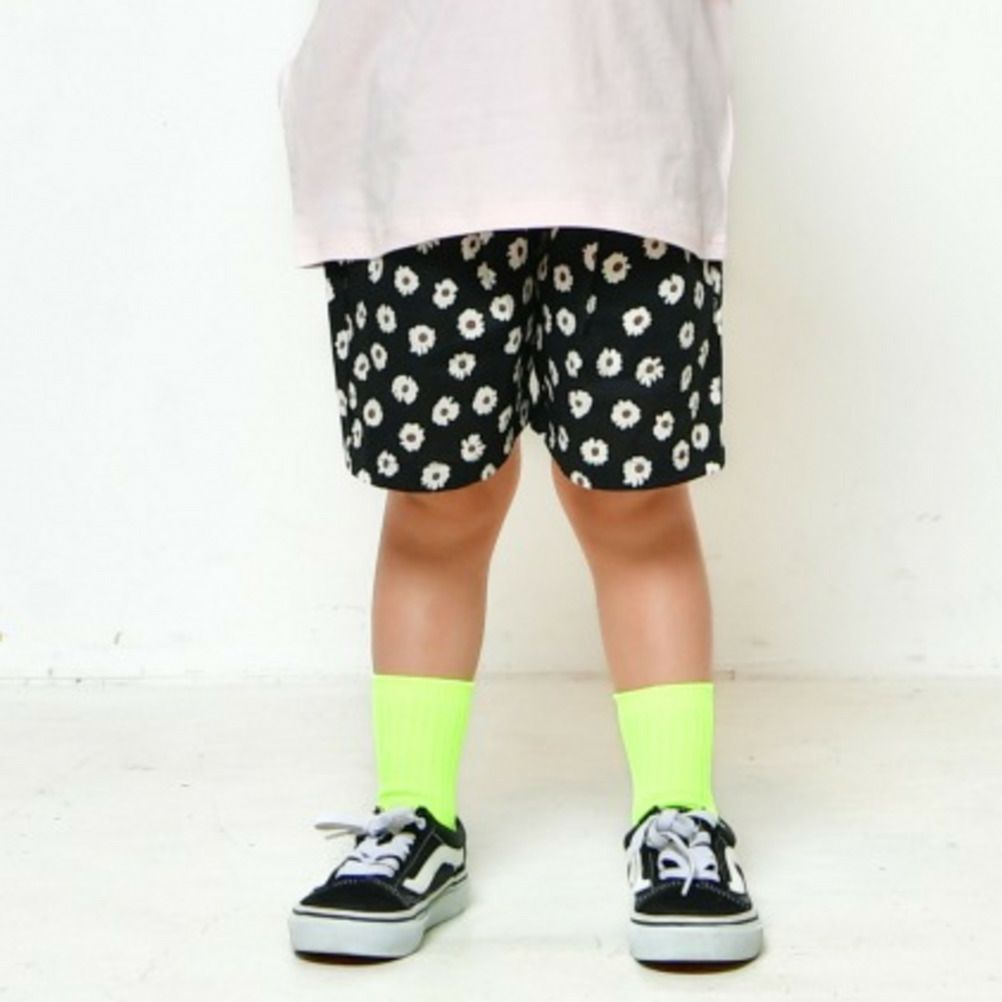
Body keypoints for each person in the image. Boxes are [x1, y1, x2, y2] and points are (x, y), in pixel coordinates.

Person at [277, 0, 764, 965]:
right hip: (417, 141)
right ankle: (415, 812)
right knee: (437, 500)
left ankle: (679, 813)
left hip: (628, 132)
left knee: (635, 499)